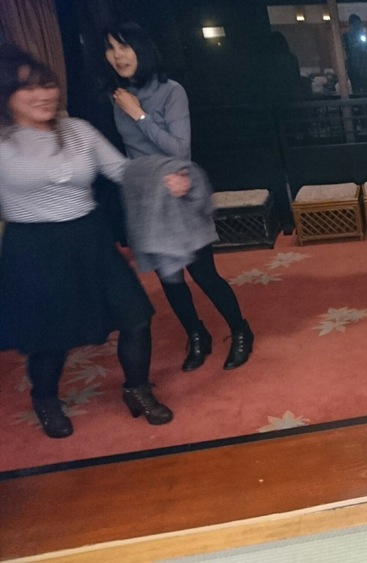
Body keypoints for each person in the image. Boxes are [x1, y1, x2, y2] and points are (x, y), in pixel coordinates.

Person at [0, 44, 174, 438]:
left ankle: (137, 389)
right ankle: (45, 399)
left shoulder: (78, 130)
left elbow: (122, 170)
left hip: (89, 236)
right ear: (7, 96)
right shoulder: (3, 142)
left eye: (48, 85)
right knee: (49, 336)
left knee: (135, 316)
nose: (44, 95)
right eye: (29, 88)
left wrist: (164, 177)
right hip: (33, 247)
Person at [104, 23, 254, 372]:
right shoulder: (118, 97)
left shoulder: (171, 91)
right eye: (110, 48)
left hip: (179, 193)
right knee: (169, 279)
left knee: (204, 274)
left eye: (124, 46)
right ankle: (196, 334)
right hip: (145, 198)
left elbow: (179, 150)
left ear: (142, 49)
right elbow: (129, 153)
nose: (117, 55)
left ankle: (240, 330)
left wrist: (139, 114)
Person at [342, 14, 367, 94]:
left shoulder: (363, 35)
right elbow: (345, 49)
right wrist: (357, 44)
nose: (357, 27)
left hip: (364, 67)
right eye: (355, 24)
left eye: (358, 24)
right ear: (351, 25)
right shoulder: (346, 36)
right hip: (353, 66)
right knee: (356, 90)